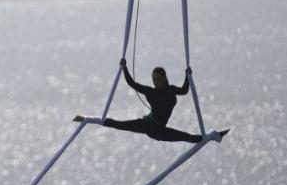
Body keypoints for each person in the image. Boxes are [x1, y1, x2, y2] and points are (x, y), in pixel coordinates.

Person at [74, 59, 228, 143]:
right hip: (148, 125)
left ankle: (215, 136)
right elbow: (132, 83)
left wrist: (188, 76)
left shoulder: (171, 89)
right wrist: (124, 67)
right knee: (118, 124)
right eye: (154, 79)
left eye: (159, 79)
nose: (156, 82)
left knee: (189, 138)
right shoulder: (150, 92)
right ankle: (87, 118)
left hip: (160, 130)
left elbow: (185, 90)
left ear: (164, 78)